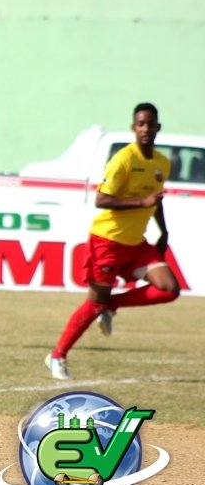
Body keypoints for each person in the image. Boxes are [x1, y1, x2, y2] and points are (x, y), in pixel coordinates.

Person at [45, 103, 180, 380]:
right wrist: (141, 202)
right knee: (94, 303)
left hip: (137, 243)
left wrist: (163, 231)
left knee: (169, 288)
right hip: (107, 242)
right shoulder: (123, 160)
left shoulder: (161, 163)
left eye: (150, 124)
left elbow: (156, 201)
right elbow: (101, 199)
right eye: (140, 124)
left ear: (157, 127)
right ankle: (57, 356)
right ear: (134, 127)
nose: (145, 129)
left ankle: (113, 304)